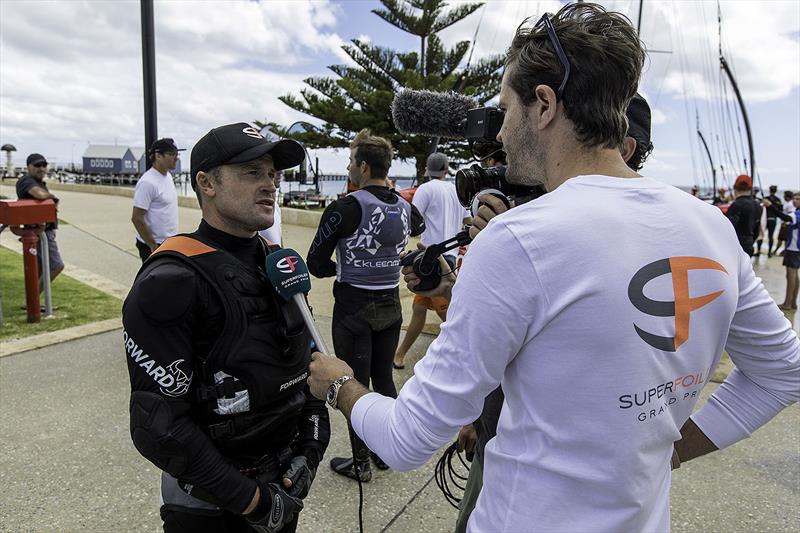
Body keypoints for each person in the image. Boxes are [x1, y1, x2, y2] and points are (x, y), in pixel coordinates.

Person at [307, 4, 800, 532]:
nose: (499, 134)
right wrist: (668, 453)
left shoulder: (519, 239)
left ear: (543, 105)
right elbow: (781, 374)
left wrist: (340, 386)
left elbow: (407, 439)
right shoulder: (710, 226)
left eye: (506, 110)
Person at [453, 91, 656, 533]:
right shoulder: (535, 217)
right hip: (499, 431)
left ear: (624, 150)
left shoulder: (615, 239)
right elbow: (493, 335)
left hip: (547, 474)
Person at [123, 123, 330, 533]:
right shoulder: (171, 280)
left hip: (284, 486)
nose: (270, 185)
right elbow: (158, 426)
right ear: (206, 182)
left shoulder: (280, 263)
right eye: (252, 172)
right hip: (210, 507)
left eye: (273, 174)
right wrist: (252, 502)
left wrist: (311, 448)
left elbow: (309, 366)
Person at [306, 128, 425, 481]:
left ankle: (360, 464)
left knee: (350, 383)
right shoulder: (406, 207)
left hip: (353, 309)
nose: (346, 170)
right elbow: (417, 228)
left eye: (348, 163)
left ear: (361, 166)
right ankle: (385, 452)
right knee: (384, 380)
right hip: (390, 307)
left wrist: (344, 266)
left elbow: (315, 262)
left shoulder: (344, 208)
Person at [393, 152, 469, 369]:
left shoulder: (425, 189)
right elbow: (468, 220)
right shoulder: (456, 188)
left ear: (427, 170)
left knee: (448, 314)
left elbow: (413, 221)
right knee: (419, 309)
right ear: (446, 170)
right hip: (450, 256)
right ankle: (399, 355)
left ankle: (460, 355)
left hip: (429, 260)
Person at [16, 153, 64, 288]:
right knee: (56, 265)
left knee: (40, 270)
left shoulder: (37, 182)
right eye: (37, 165)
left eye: (44, 165)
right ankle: (34, 301)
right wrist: (52, 198)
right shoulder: (27, 181)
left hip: (43, 231)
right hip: (40, 233)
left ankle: (34, 304)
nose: (41, 168)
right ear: (28, 167)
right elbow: (39, 194)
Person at [131, 138, 182, 262]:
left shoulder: (168, 176)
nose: (176, 158)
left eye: (177, 154)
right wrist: (152, 246)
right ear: (158, 156)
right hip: (155, 245)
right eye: (171, 154)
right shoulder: (148, 182)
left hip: (169, 242)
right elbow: (137, 218)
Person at [726, 174, 762, 256]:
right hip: (749, 244)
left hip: (735, 245)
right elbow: (757, 228)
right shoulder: (758, 205)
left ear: (735, 188)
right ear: (751, 189)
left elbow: (728, 227)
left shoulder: (736, 205)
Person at [779, 192, 800, 311]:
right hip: (797, 248)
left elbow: (785, 217)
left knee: (790, 275)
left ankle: (787, 303)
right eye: (794, 198)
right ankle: (793, 302)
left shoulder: (797, 214)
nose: (794, 201)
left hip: (793, 248)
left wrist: (771, 206)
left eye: (797, 199)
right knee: (795, 276)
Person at [258, 170, 283, 245]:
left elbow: (279, 240)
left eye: (271, 175)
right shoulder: (255, 209)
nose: (280, 172)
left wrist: (282, 253)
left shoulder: (275, 207)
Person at [762, 185, 784, 257]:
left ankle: (759, 250)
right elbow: (780, 211)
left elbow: (761, 207)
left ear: (769, 190)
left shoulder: (766, 199)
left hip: (765, 219)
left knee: (761, 235)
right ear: (776, 191)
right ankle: (769, 252)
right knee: (770, 236)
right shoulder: (778, 200)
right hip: (773, 220)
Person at [776, 190, 795, 256]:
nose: (783, 197)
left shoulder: (790, 204)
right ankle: (782, 250)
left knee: (781, 238)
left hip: (786, 224)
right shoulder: (787, 203)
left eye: (784, 196)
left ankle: (781, 251)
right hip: (784, 223)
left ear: (787, 197)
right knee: (782, 238)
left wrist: (785, 222)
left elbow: (790, 214)